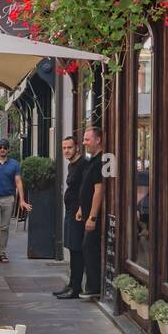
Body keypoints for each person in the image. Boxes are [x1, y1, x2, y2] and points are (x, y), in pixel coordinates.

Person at [53, 136, 87, 298]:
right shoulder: (72, 165)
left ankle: (76, 288)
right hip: (70, 211)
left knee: (76, 250)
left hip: (78, 214)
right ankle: (72, 284)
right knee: (72, 249)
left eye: (69, 148)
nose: (66, 151)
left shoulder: (82, 165)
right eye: (64, 148)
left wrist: (81, 208)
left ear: (77, 148)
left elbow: (86, 190)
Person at [0, 139, 30, 264]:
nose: (2, 149)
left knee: (5, 227)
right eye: (0, 147)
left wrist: (22, 200)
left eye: (5, 147)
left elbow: (18, 182)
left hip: (8, 198)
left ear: (8, 150)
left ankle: (2, 252)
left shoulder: (14, 164)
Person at [76, 125, 105, 300]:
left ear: (98, 139)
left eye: (87, 139)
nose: (84, 142)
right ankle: (92, 285)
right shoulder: (92, 160)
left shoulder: (102, 160)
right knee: (87, 247)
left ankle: (94, 286)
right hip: (86, 214)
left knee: (89, 248)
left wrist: (92, 217)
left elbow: (99, 191)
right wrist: (81, 208)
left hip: (94, 217)